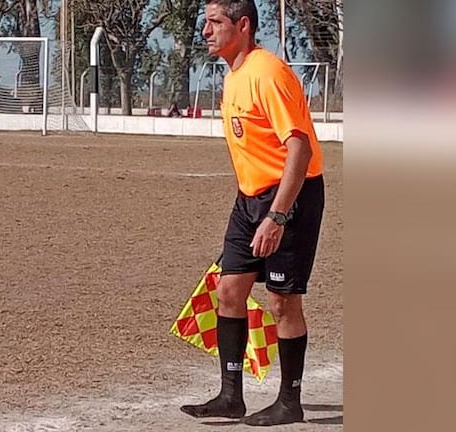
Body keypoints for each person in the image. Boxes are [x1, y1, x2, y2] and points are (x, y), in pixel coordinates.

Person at [179, 0, 325, 426]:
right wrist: (255, 208)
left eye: (215, 22)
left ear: (242, 25)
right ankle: (230, 396)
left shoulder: (268, 73)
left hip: (289, 197)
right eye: (205, 23)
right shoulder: (234, 76)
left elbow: (298, 147)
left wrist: (277, 216)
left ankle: (289, 401)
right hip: (249, 199)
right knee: (228, 292)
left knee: (282, 301)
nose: (206, 31)